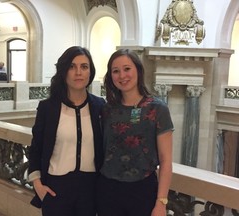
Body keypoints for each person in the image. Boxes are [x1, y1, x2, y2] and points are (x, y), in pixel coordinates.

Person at [28, 46, 105, 216]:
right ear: (64, 71)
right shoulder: (48, 108)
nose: (78, 72)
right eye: (72, 66)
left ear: (90, 72)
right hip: (56, 190)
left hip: (90, 191)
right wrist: (37, 184)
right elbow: (35, 149)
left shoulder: (100, 107)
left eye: (84, 67)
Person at [96, 49, 174, 216]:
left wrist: (161, 202)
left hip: (143, 190)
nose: (122, 75)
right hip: (108, 189)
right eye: (115, 71)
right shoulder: (107, 109)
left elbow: (166, 160)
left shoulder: (157, 109)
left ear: (138, 70)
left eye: (127, 69)